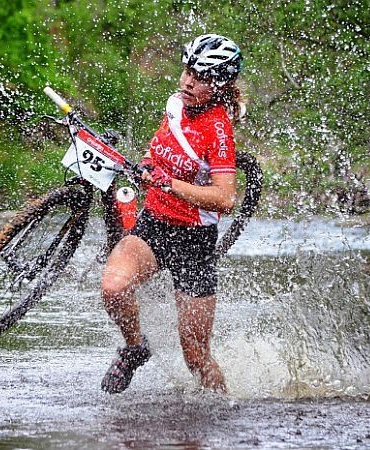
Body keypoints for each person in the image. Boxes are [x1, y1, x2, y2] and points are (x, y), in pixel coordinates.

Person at [100, 34, 244, 394]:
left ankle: (224, 412)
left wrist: (170, 184)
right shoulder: (175, 105)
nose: (188, 82)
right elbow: (160, 145)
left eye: (201, 77)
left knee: (196, 357)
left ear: (220, 85)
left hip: (194, 243)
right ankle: (135, 347)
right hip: (153, 226)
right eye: (187, 72)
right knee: (113, 289)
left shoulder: (218, 131)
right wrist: (149, 164)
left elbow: (225, 199)